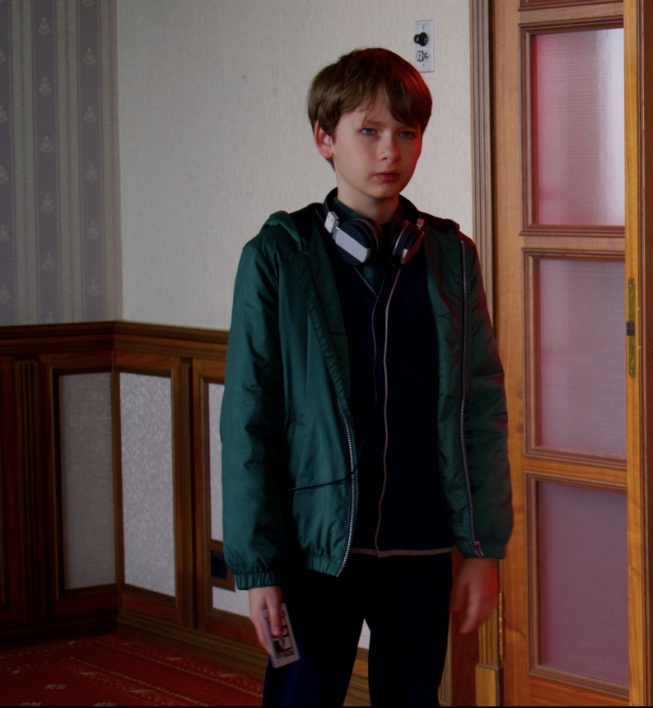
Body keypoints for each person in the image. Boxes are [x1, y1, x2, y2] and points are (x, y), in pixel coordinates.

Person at [220, 46, 511, 706]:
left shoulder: (452, 259)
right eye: (369, 131)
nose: (390, 151)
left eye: (406, 133)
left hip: (421, 547)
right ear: (324, 138)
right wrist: (258, 568)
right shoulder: (278, 258)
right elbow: (249, 424)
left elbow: (480, 411)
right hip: (315, 551)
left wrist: (483, 549)